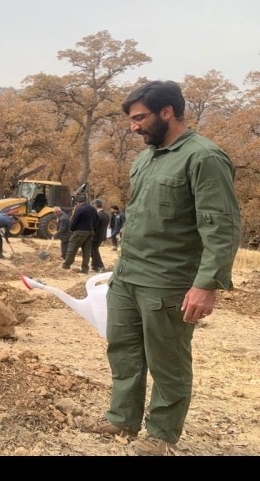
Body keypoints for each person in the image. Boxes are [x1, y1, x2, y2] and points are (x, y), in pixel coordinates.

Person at [77, 80, 241, 456]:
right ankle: (121, 418)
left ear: (167, 111)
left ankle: (161, 435)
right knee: (124, 352)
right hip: (129, 276)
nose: (133, 127)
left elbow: (222, 226)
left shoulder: (204, 158)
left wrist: (207, 284)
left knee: (168, 361)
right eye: (131, 120)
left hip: (168, 283)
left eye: (139, 118)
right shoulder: (145, 159)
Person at [61, 197, 98, 273]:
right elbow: (96, 220)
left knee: (72, 248)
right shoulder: (93, 209)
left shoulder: (80, 209)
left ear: (78, 202)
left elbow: (74, 220)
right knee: (87, 251)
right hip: (90, 231)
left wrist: (71, 229)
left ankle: (66, 265)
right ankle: (85, 269)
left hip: (80, 231)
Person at [90, 199, 111, 273]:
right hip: (102, 235)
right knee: (94, 250)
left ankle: (100, 266)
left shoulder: (98, 215)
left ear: (95, 205)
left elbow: (94, 226)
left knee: (94, 251)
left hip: (96, 236)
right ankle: (94, 265)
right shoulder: (107, 214)